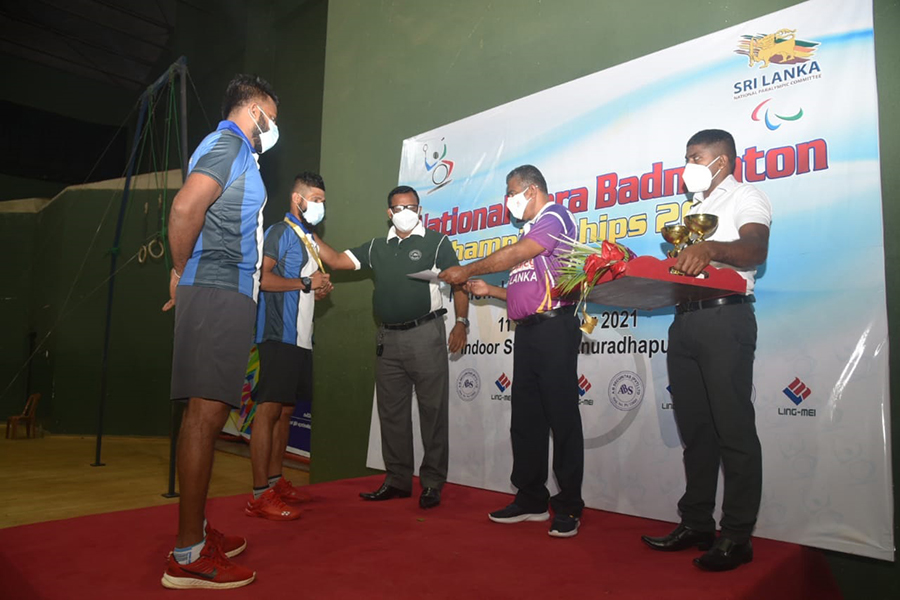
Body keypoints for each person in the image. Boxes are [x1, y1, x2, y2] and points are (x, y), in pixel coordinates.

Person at [160, 74, 280, 590]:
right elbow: (186, 208)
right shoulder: (228, 142)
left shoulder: (239, 154)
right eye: (272, 117)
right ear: (253, 111)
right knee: (203, 420)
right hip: (215, 289)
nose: (275, 127)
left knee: (205, 417)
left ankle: (196, 532)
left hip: (225, 294)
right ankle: (188, 555)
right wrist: (181, 267)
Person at [640, 129, 772, 572]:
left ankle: (737, 536)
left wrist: (711, 247)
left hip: (725, 320)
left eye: (695, 156)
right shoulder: (694, 210)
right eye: (686, 157)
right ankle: (696, 523)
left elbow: (755, 248)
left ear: (722, 161)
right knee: (695, 432)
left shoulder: (745, 197)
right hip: (686, 322)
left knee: (732, 430)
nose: (688, 165)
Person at [439, 164, 584, 538]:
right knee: (527, 419)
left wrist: (466, 269)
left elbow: (520, 252)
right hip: (529, 332)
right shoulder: (531, 228)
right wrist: (492, 291)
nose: (509, 200)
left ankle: (568, 505)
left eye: (511, 192)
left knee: (562, 418)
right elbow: (526, 288)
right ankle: (532, 498)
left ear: (531, 190)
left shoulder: (556, 216)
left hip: (555, 327)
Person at [314, 185, 469, 509]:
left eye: (411, 206)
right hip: (388, 338)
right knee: (392, 414)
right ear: (389, 213)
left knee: (433, 412)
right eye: (399, 208)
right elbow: (339, 260)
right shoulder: (377, 247)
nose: (405, 213)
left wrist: (461, 322)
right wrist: (305, 233)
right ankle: (398, 480)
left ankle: (432, 483)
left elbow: (459, 282)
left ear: (420, 209)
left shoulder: (436, 241)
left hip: (426, 334)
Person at [245, 172, 333, 521]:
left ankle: (275, 480)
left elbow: (302, 285)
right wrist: (304, 282)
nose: (320, 206)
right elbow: (262, 279)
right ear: (298, 199)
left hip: (300, 339)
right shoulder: (280, 232)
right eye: (316, 199)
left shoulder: (309, 239)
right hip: (277, 336)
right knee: (268, 411)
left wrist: (316, 287)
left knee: (284, 412)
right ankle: (257, 494)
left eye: (324, 200)